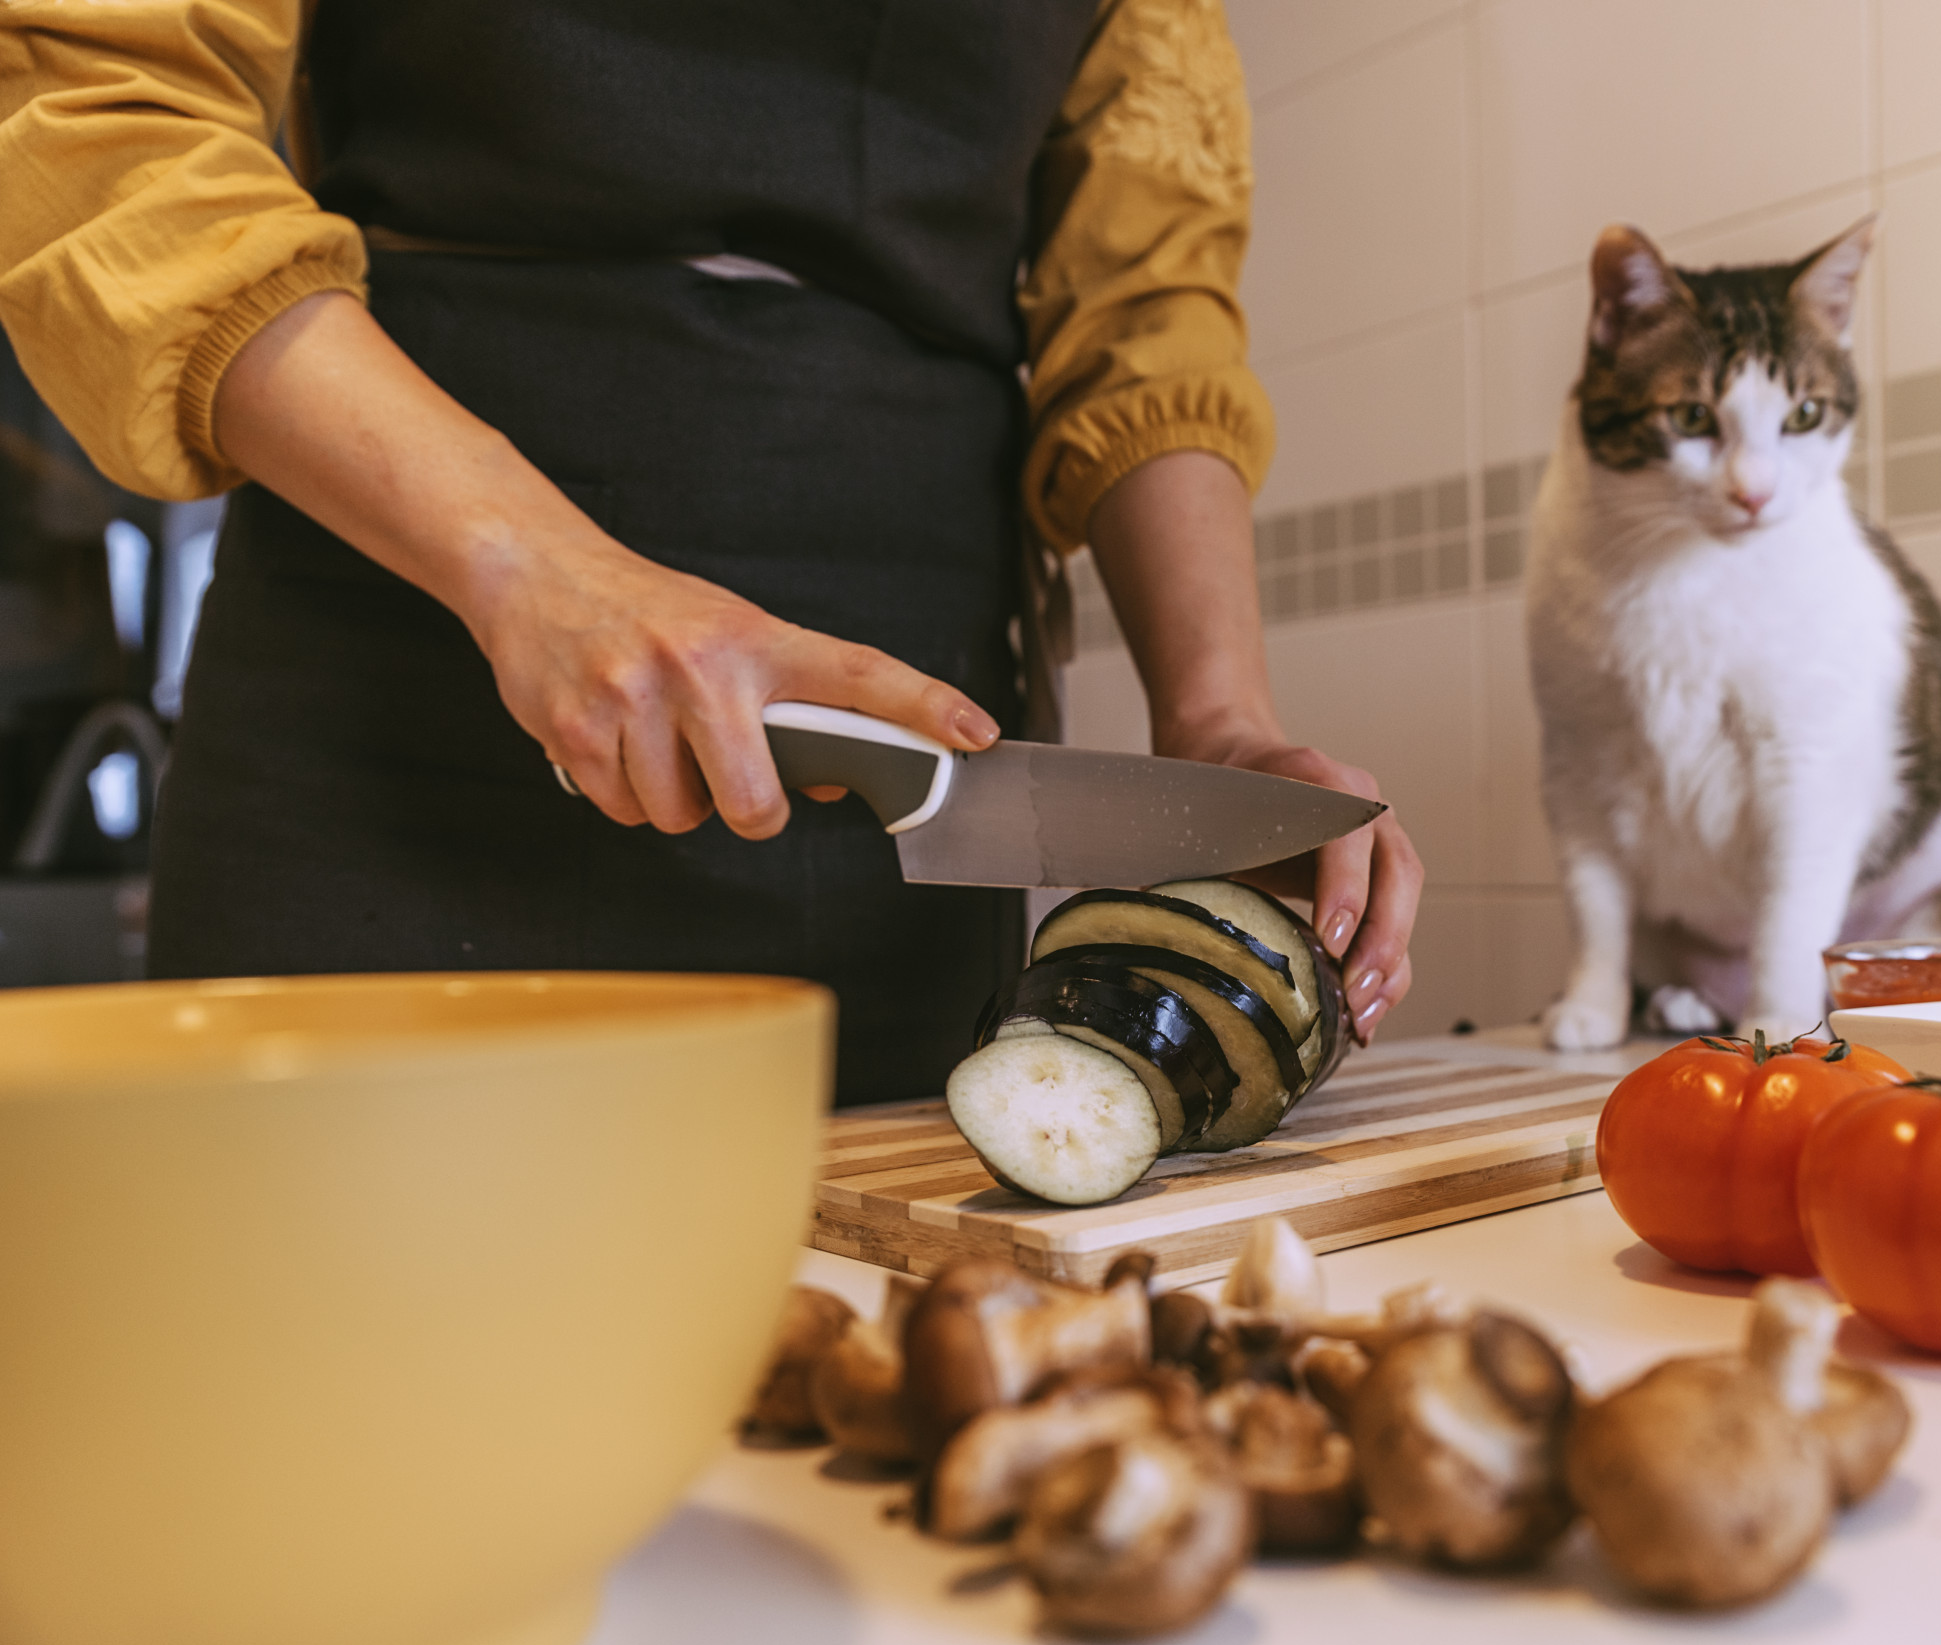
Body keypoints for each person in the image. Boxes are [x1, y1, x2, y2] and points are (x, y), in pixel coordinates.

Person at [0, 0, 1421, 1102]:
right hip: (385, 687)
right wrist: (532, 566)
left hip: (889, 789)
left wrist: (1219, 714)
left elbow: (1148, 300)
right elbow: (99, 111)